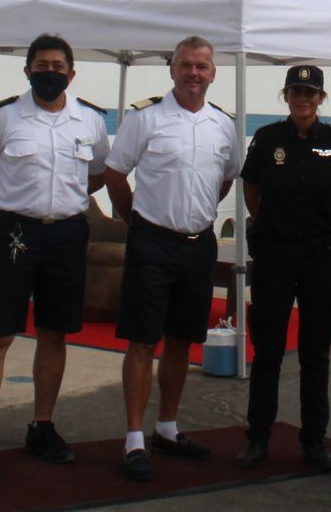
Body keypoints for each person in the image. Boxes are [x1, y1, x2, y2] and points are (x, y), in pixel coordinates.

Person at [0, 34, 113, 479]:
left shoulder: (90, 122)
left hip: (67, 234)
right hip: (15, 234)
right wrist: (10, 199)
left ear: (71, 72)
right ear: (27, 70)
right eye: (41, 64)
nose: (50, 72)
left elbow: (98, 175)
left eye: (58, 65)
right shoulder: (3, 119)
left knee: (54, 333)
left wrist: (60, 200)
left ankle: (42, 426)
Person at [101, 36, 239, 482]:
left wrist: (194, 215)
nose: (194, 74)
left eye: (202, 67)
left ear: (213, 73)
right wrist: (133, 219)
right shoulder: (146, 119)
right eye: (186, 66)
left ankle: (167, 428)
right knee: (142, 341)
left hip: (199, 246)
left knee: (182, 339)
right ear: (172, 70)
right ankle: (134, 439)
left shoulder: (224, 126)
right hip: (152, 243)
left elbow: (225, 178)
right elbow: (115, 171)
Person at [235, 65, 331, 472]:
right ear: (285, 96)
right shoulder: (268, 139)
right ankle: (257, 437)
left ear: (321, 98)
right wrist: (269, 222)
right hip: (274, 256)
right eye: (296, 92)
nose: (303, 99)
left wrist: (321, 226)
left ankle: (314, 439)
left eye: (310, 93)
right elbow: (251, 189)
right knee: (268, 351)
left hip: (319, 257)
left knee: (315, 353)